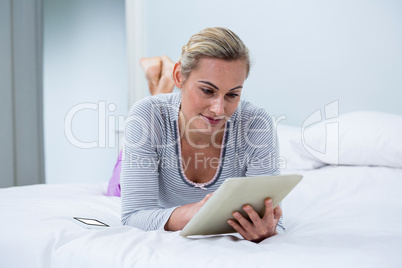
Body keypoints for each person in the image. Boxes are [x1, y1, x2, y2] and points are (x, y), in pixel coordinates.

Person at [112, 27, 283, 243]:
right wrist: (197, 212)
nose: (219, 109)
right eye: (207, 91)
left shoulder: (257, 124)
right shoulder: (147, 115)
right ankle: (158, 84)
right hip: (154, 134)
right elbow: (133, 217)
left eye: (232, 95)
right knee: (115, 185)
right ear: (179, 76)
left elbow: (274, 221)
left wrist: (267, 230)